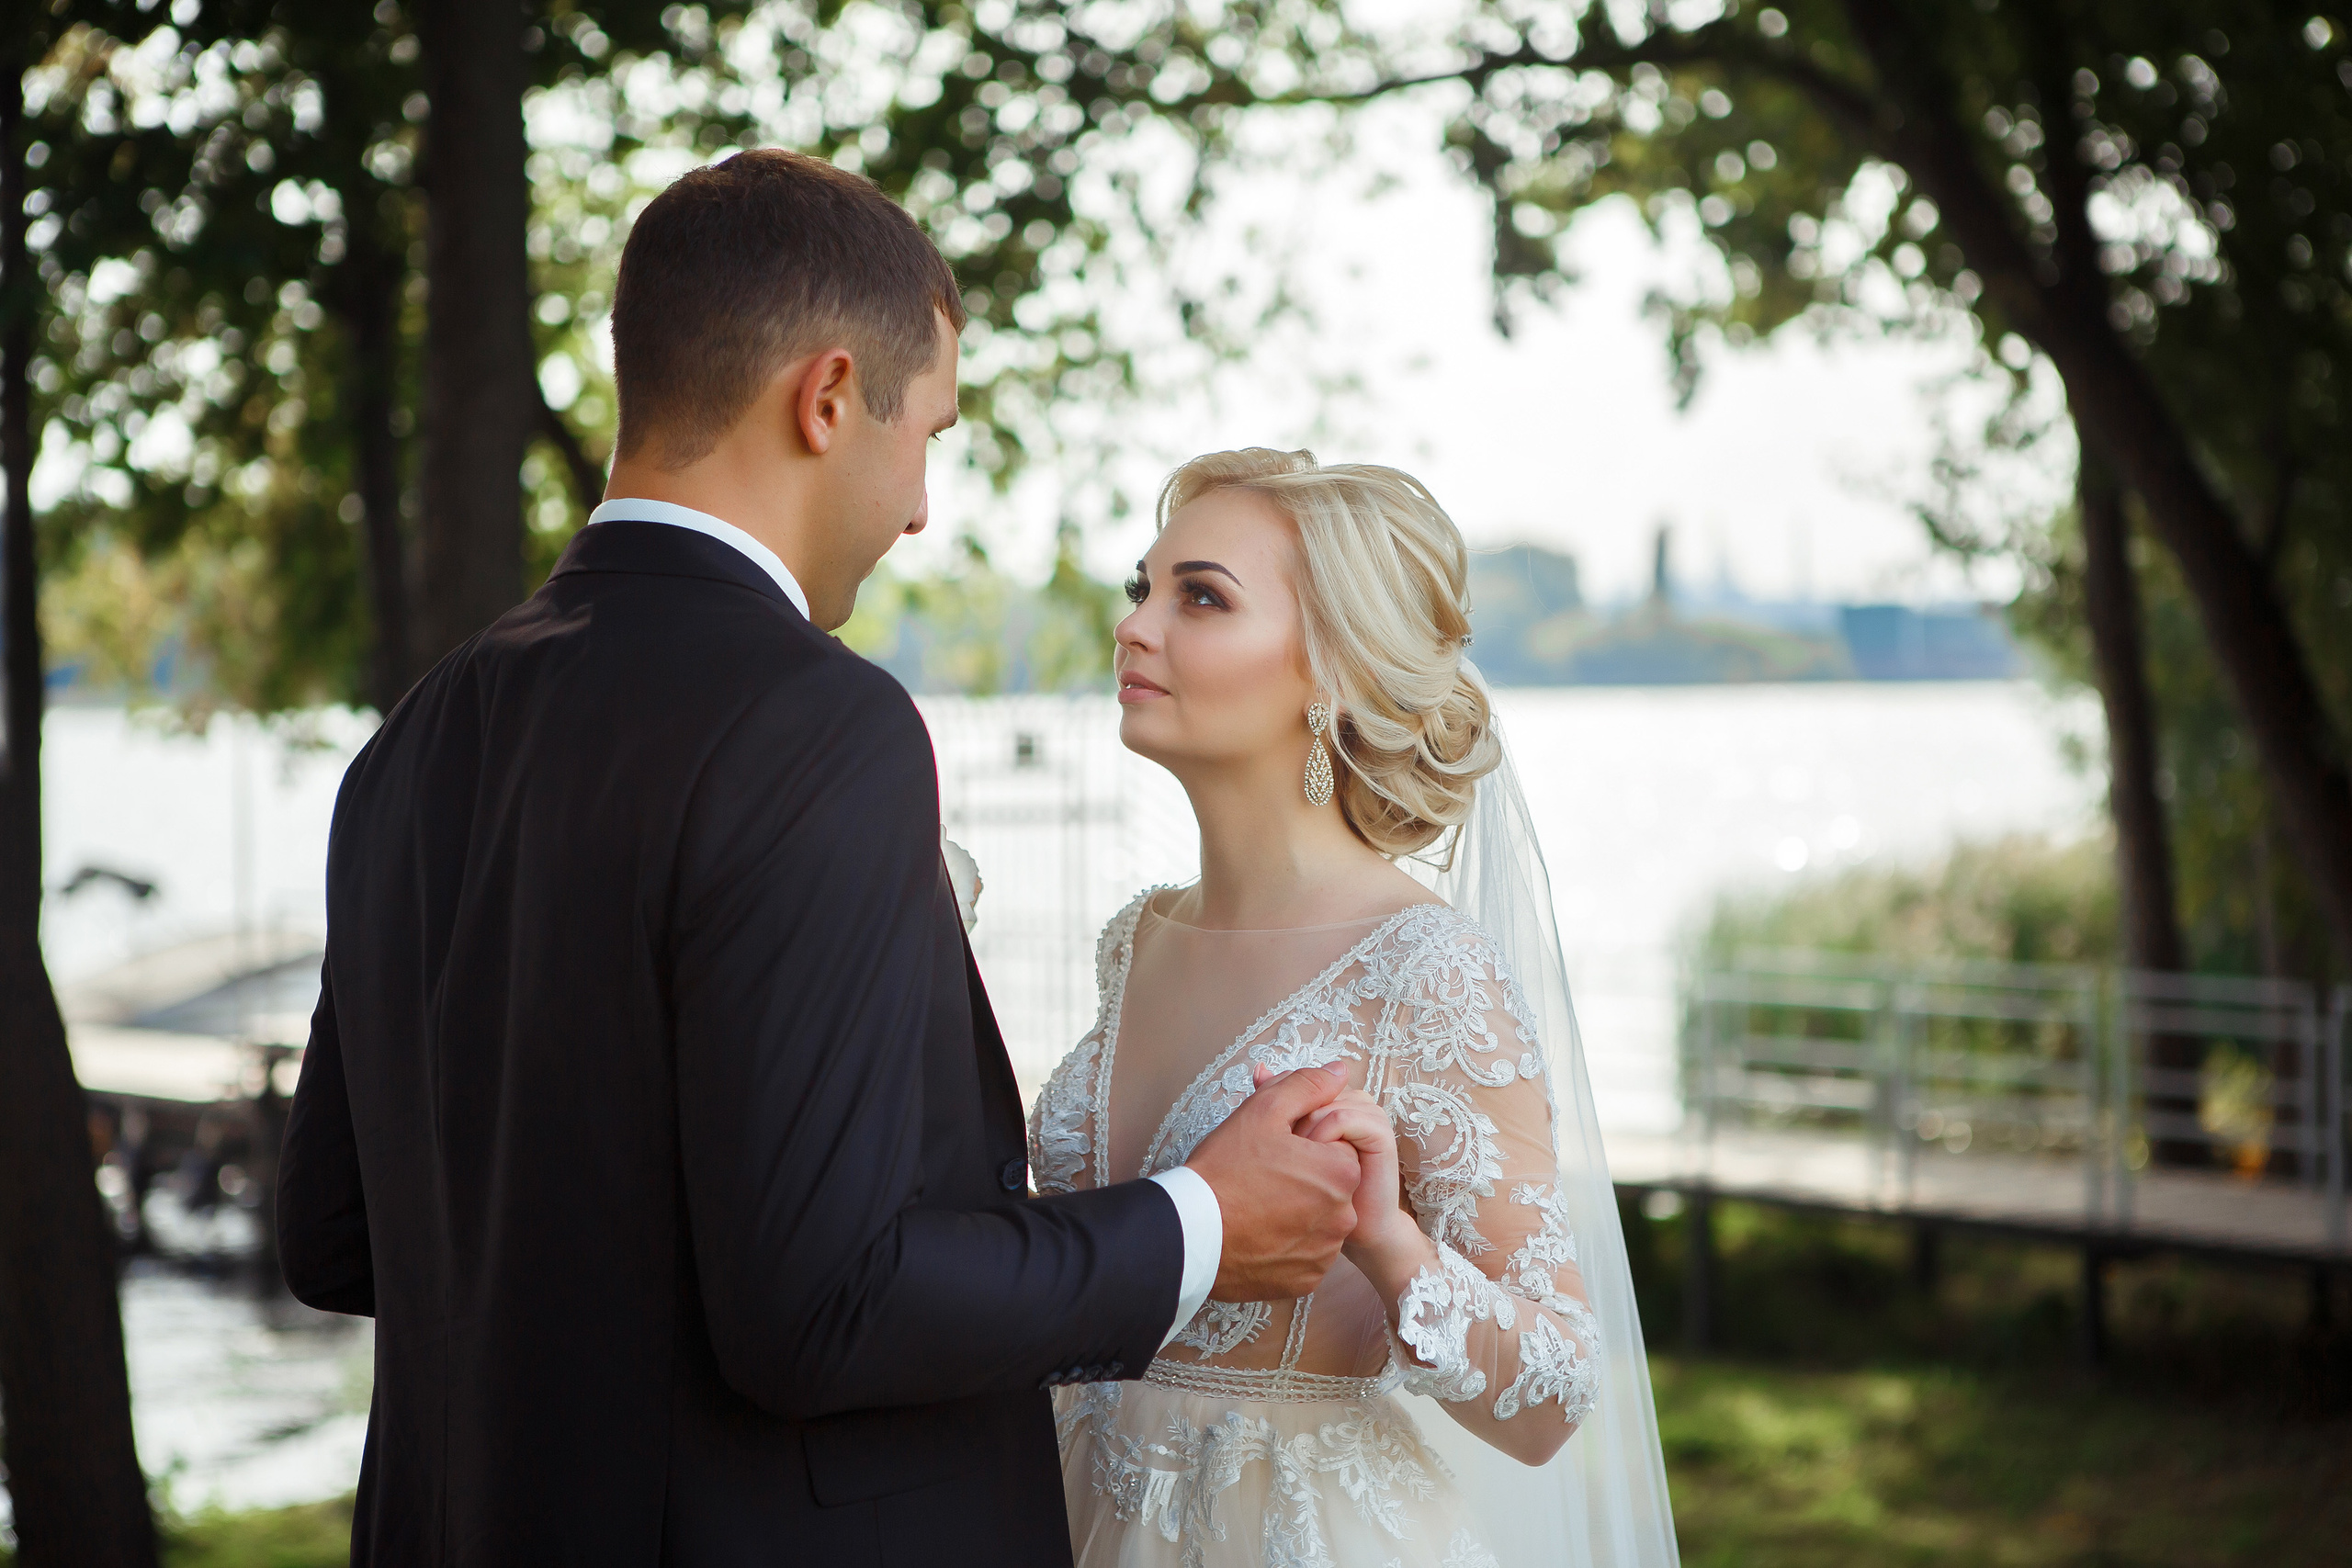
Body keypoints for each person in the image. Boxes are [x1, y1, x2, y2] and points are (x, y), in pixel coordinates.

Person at [275, 152, 1364, 1567]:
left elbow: (338, 1232)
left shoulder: (417, 739)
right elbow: (823, 1304)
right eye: (928, 434)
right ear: (829, 396)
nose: (919, 507)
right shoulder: (814, 719)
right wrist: (1202, 1220)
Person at [1031, 450, 1679, 1567]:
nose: (1136, 626)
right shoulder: (1137, 940)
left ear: (1325, 668)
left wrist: (1387, 1244)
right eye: (1142, 589)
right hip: (1074, 1515)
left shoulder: (1425, 972)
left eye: (1199, 596)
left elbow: (1554, 1393)